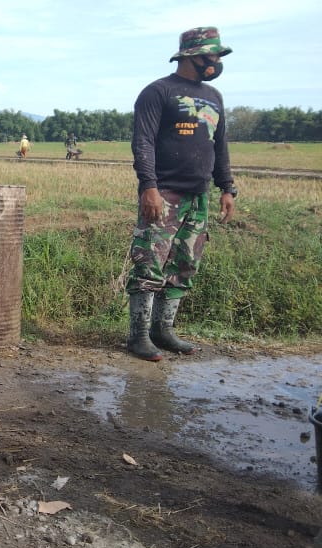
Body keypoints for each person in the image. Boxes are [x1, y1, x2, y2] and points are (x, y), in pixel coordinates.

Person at [126, 26, 237, 361]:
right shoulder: (158, 92)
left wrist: (227, 187)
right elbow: (142, 142)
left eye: (218, 56)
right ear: (193, 55)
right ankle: (139, 336)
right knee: (149, 262)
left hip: (198, 197)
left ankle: (163, 330)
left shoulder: (214, 97)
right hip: (164, 193)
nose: (217, 61)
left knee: (184, 264)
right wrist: (149, 187)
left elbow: (219, 145)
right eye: (213, 55)